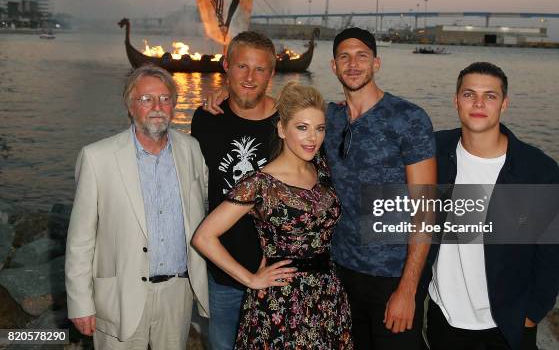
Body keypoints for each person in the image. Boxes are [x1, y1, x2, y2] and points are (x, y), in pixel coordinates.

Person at [192, 82, 353, 349]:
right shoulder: (260, 183)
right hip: (282, 302)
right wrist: (251, 279)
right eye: (302, 127)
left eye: (319, 128)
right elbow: (204, 237)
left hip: (328, 294)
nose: (312, 138)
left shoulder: (322, 170)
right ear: (281, 129)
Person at [426, 62, 559, 350]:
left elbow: (554, 250)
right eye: (469, 94)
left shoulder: (537, 170)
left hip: (506, 325)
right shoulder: (433, 151)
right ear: (456, 101)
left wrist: (533, 314)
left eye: (490, 96)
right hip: (444, 317)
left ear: (504, 104)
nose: (479, 103)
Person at [65, 65, 209, 348]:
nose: (157, 107)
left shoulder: (191, 149)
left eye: (165, 99)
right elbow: (80, 240)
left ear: (174, 104)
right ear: (130, 106)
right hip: (120, 296)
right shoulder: (97, 158)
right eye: (146, 99)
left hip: (177, 294)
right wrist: (80, 303)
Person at [324, 27, 437, 349]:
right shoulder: (329, 118)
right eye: (344, 57)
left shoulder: (408, 118)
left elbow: (425, 210)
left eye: (362, 56)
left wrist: (408, 288)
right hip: (342, 269)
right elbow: (278, 111)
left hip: (391, 274)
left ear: (376, 63)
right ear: (334, 66)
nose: (353, 64)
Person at [191, 31, 291, 350]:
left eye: (260, 69)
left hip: (278, 274)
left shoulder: (289, 123)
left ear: (272, 74)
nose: (249, 78)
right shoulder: (206, 118)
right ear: (226, 66)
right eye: (241, 67)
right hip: (224, 272)